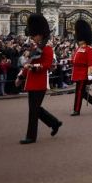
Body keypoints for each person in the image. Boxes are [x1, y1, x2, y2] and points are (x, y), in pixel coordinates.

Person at [15, 14, 62, 144]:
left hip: (40, 82)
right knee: (35, 109)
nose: (32, 37)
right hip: (31, 82)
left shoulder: (47, 48)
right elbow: (27, 63)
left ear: (40, 35)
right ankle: (54, 123)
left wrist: (34, 67)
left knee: (33, 111)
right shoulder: (34, 48)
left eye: (34, 35)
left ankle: (31, 136)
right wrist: (21, 76)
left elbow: (46, 65)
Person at [70, 19, 92, 116]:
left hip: (83, 73)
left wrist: (90, 78)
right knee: (82, 92)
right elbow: (74, 60)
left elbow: (91, 65)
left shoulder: (89, 49)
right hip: (76, 72)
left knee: (79, 92)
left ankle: (76, 110)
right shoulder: (79, 48)